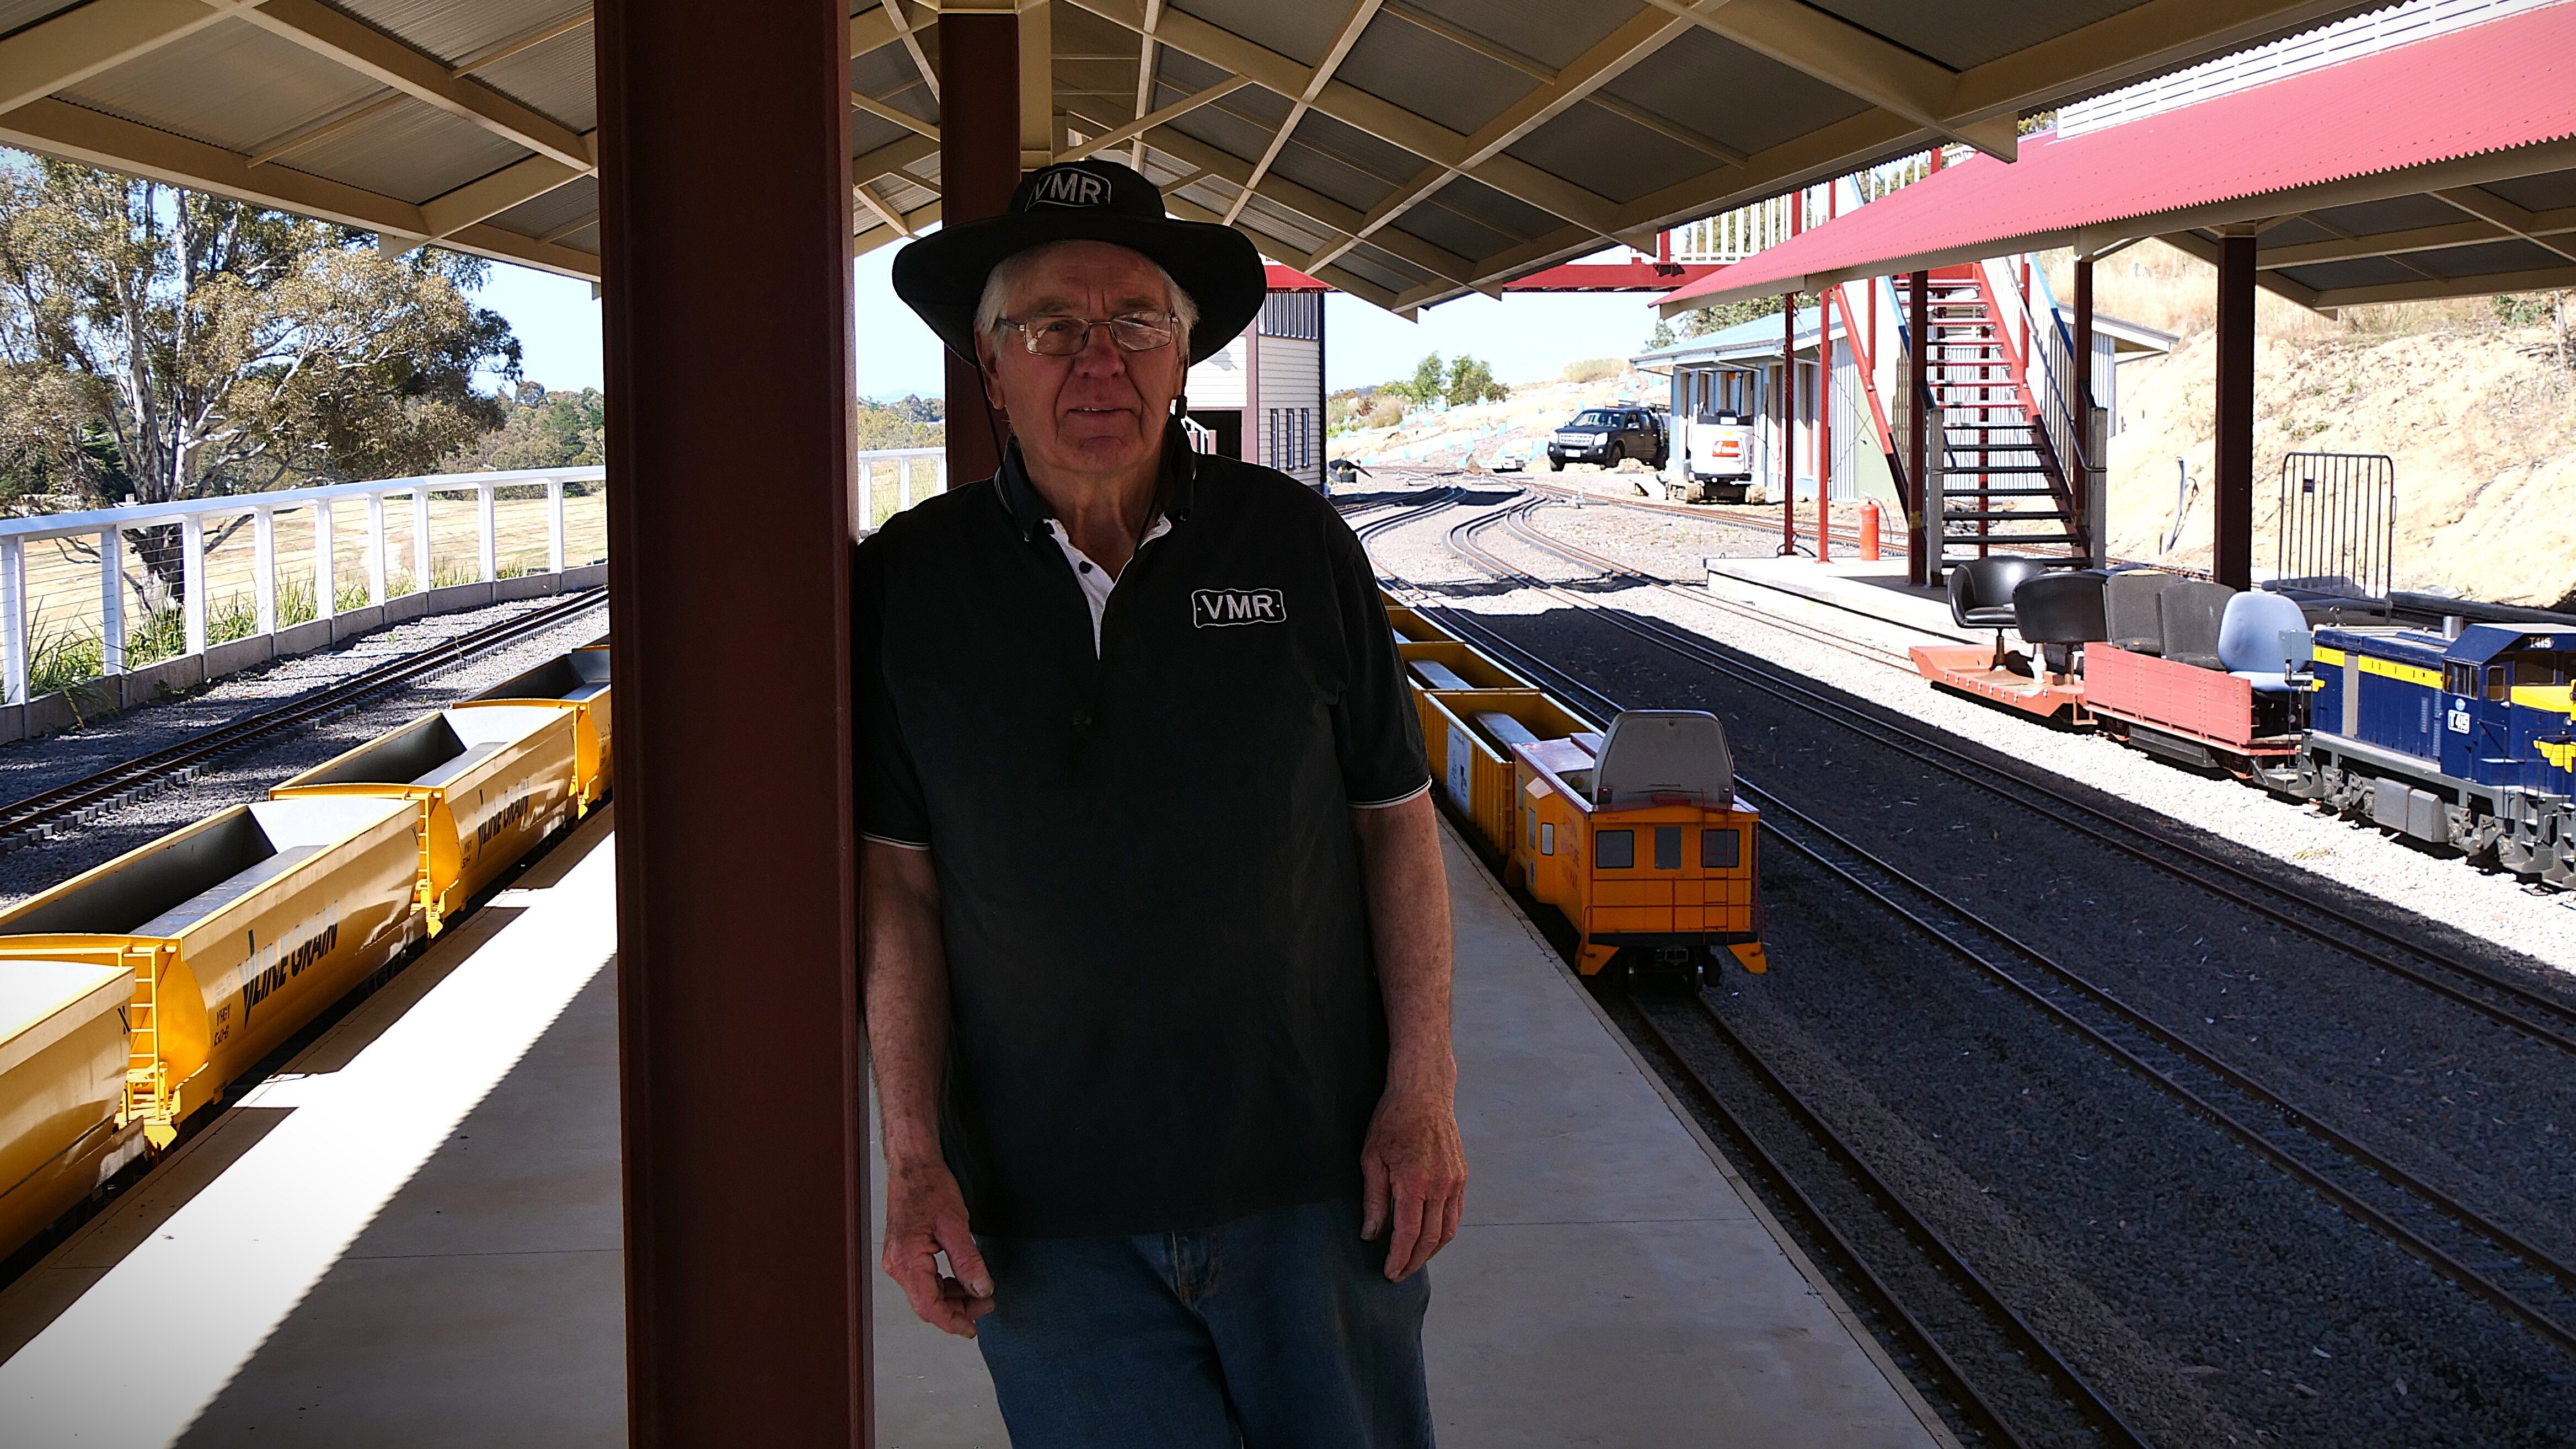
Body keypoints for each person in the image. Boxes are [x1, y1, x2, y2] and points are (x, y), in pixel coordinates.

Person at [859, 158, 1465, 1448]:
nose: (1098, 364)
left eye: (1137, 323)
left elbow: (1394, 825)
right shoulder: (910, 584)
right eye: (1050, 329)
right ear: (988, 367)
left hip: (1310, 1187)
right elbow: (898, 886)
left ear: (1184, 357)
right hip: (1041, 1220)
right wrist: (912, 1158)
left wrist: (1421, 1090)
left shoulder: (1296, 546)